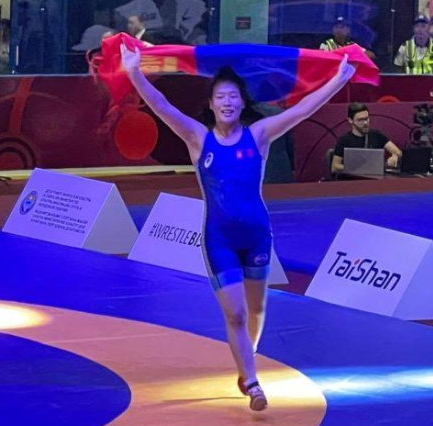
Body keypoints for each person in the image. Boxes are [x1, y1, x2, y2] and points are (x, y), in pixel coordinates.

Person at [119, 42, 355, 411]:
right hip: (220, 240)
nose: (227, 102)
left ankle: (246, 363)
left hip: (257, 236)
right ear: (211, 105)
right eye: (220, 97)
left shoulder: (259, 135)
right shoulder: (198, 138)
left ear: (242, 103)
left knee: (256, 312)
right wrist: (134, 72)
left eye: (232, 96)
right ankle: (254, 383)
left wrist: (338, 80)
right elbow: (162, 107)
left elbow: (302, 110)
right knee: (237, 314)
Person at [331, 102, 402, 175]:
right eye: (360, 120)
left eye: (366, 119)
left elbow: (398, 153)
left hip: (376, 178)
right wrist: (358, 169)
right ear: (350, 120)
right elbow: (335, 167)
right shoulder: (344, 140)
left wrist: (395, 156)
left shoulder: (377, 135)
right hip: (353, 179)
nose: (365, 123)